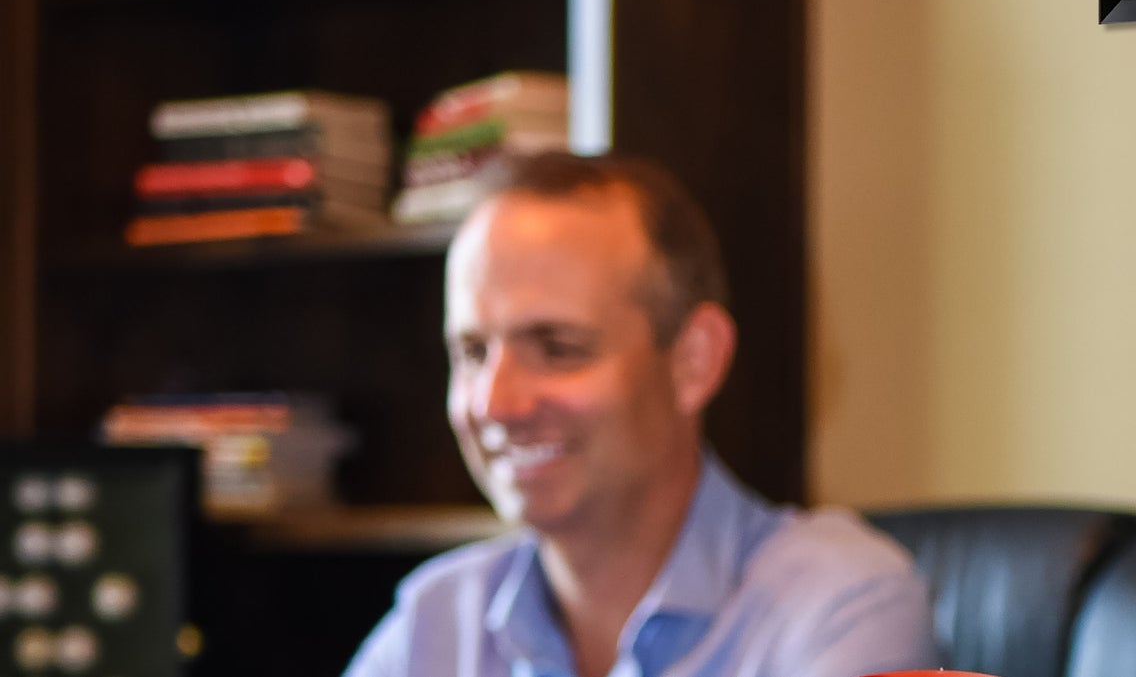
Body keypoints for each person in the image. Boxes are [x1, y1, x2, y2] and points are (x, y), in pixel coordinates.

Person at [344, 153, 937, 677]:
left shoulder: (840, 605)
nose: (494, 405)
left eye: (557, 348)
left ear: (693, 362)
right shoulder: (437, 620)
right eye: (473, 352)